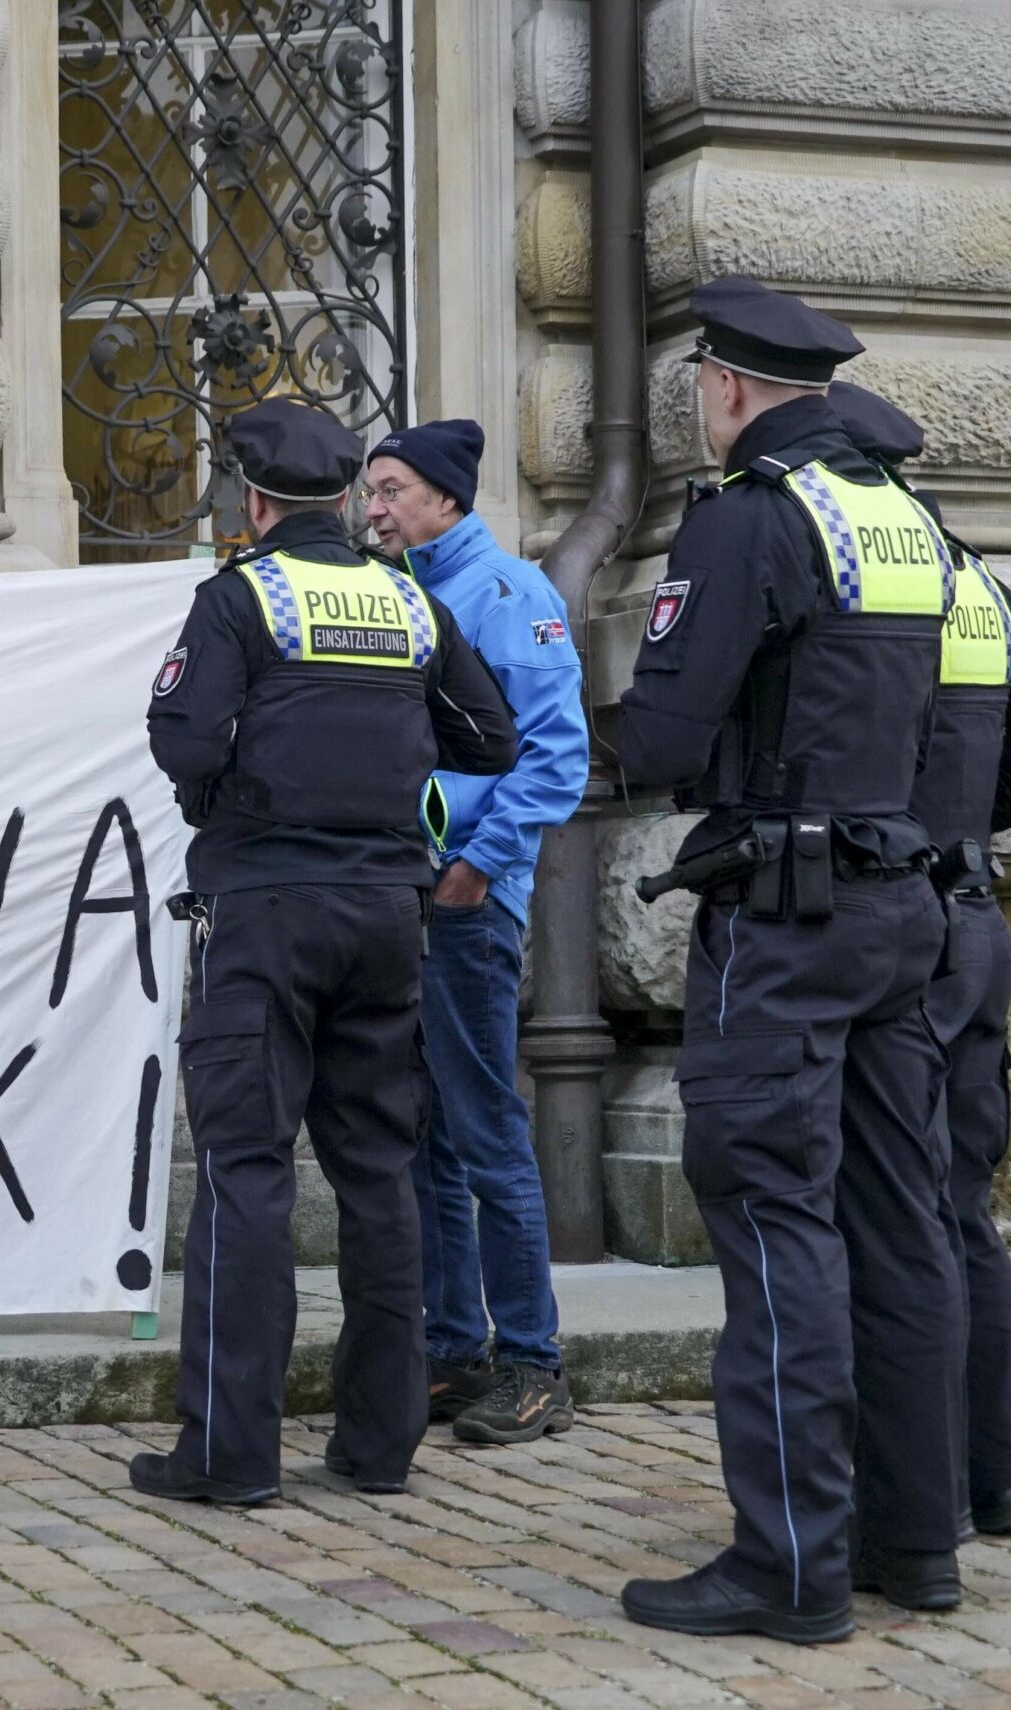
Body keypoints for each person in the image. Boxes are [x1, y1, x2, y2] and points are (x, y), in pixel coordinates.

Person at [610, 278, 957, 1644]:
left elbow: (669, 734)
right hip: (901, 899)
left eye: (699, 379)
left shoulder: (751, 519)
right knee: (896, 1220)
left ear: (730, 387)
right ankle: (913, 1543)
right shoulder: (906, 517)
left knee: (772, 1223)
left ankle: (793, 1565)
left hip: (788, 915)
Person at [136, 399, 518, 1505]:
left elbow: (183, 739)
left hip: (263, 910)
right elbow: (489, 736)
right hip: (385, 919)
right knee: (380, 1175)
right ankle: (379, 1445)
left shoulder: (239, 596)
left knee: (247, 1173)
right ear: (348, 497)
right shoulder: (405, 599)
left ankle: (228, 1457)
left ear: (254, 501)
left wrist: (229, 794)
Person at [827, 381, 1011, 1543]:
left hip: (894, 922)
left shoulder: (855, 573)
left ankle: (912, 1503)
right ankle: (999, 1481)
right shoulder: (972, 574)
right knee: (959, 1211)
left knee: (892, 1220)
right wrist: (978, 824)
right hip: (974, 912)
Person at [361, 420, 588, 1443]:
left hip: (463, 906)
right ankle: (454, 1352)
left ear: (447, 499)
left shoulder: (508, 594)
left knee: (487, 1131)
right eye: (369, 491)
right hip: (405, 898)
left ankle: (535, 1366)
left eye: (393, 490)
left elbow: (556, 758)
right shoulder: (400, 589)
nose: (374, 509)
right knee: (427, 1140)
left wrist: (473, 869)